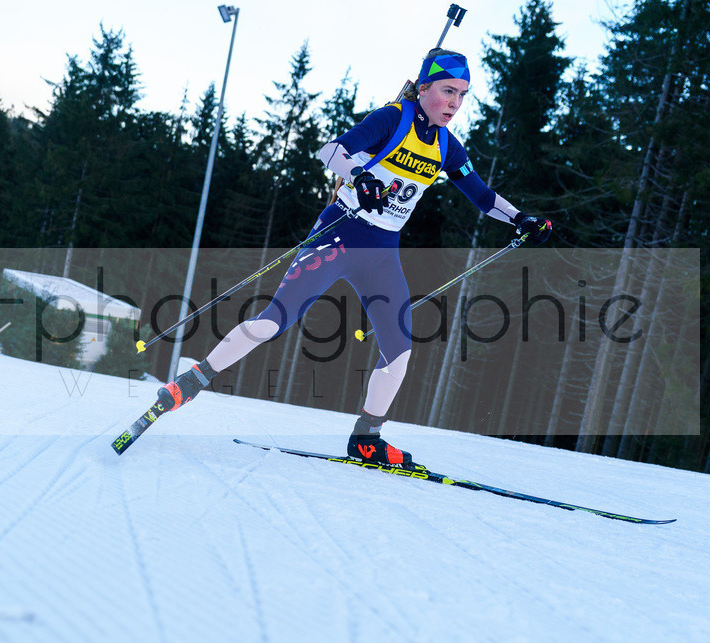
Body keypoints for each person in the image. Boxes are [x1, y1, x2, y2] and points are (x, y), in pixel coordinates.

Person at [155, 49, 552, 470]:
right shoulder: (392, 119)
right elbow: (330, 150)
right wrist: (359, 176)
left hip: (381, 254)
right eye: (448, 91)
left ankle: (366, 438)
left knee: (399, 350)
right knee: (275, 319)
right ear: (423, 88)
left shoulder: (447, 147)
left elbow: (482, 196)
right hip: (339, 235)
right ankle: (191, 382)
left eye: (462, 95)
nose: (455, 103)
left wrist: (520, 219)